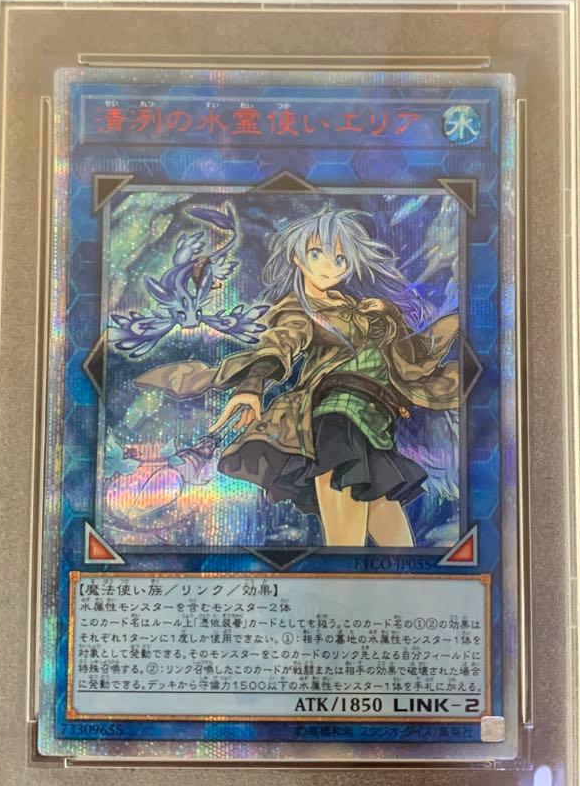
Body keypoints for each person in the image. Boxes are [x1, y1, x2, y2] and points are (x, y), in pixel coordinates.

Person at [134, 204, 460, 547]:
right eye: (317, 254)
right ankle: (343, 577)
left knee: (390, 526)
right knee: (345, 535)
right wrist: (253, 384)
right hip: (338, 416)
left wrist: (430, 321)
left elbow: (410, 357)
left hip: (375, 423)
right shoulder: (299, 309)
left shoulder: (364, 309)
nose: (329, 266)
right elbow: (281, 343)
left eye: (340, 258)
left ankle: (409, 581)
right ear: (297, 258)